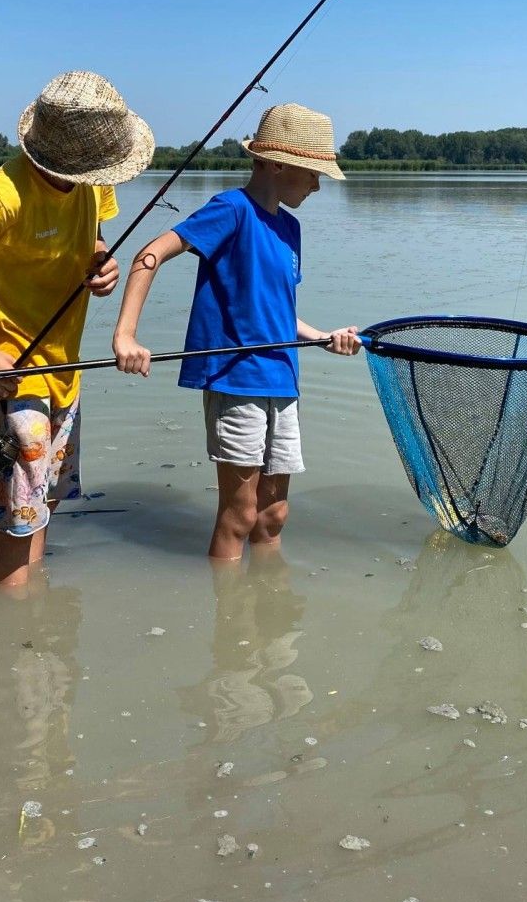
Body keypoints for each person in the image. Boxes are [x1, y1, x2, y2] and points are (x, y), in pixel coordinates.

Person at [0, 71, 154, 587]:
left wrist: (102, 263)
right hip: (10, 374)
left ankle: (33, 640)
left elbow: (94, 239)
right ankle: (13, 644)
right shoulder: (2, 193)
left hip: (67, 368)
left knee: (41, 506)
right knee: (16, 524)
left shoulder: (92, 183)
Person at [112, 102, 359, 561]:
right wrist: (125, 335)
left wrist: (322, 337)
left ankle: (270, 621)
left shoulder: (291, 228)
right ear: (279, 163)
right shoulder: (231, 209)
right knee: (240, 514)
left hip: (283, 380)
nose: (318, 184)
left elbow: (276, 311)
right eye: (312, 173)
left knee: (273, 515)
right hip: (236, 378)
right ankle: (230, 622)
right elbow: (150, 253)